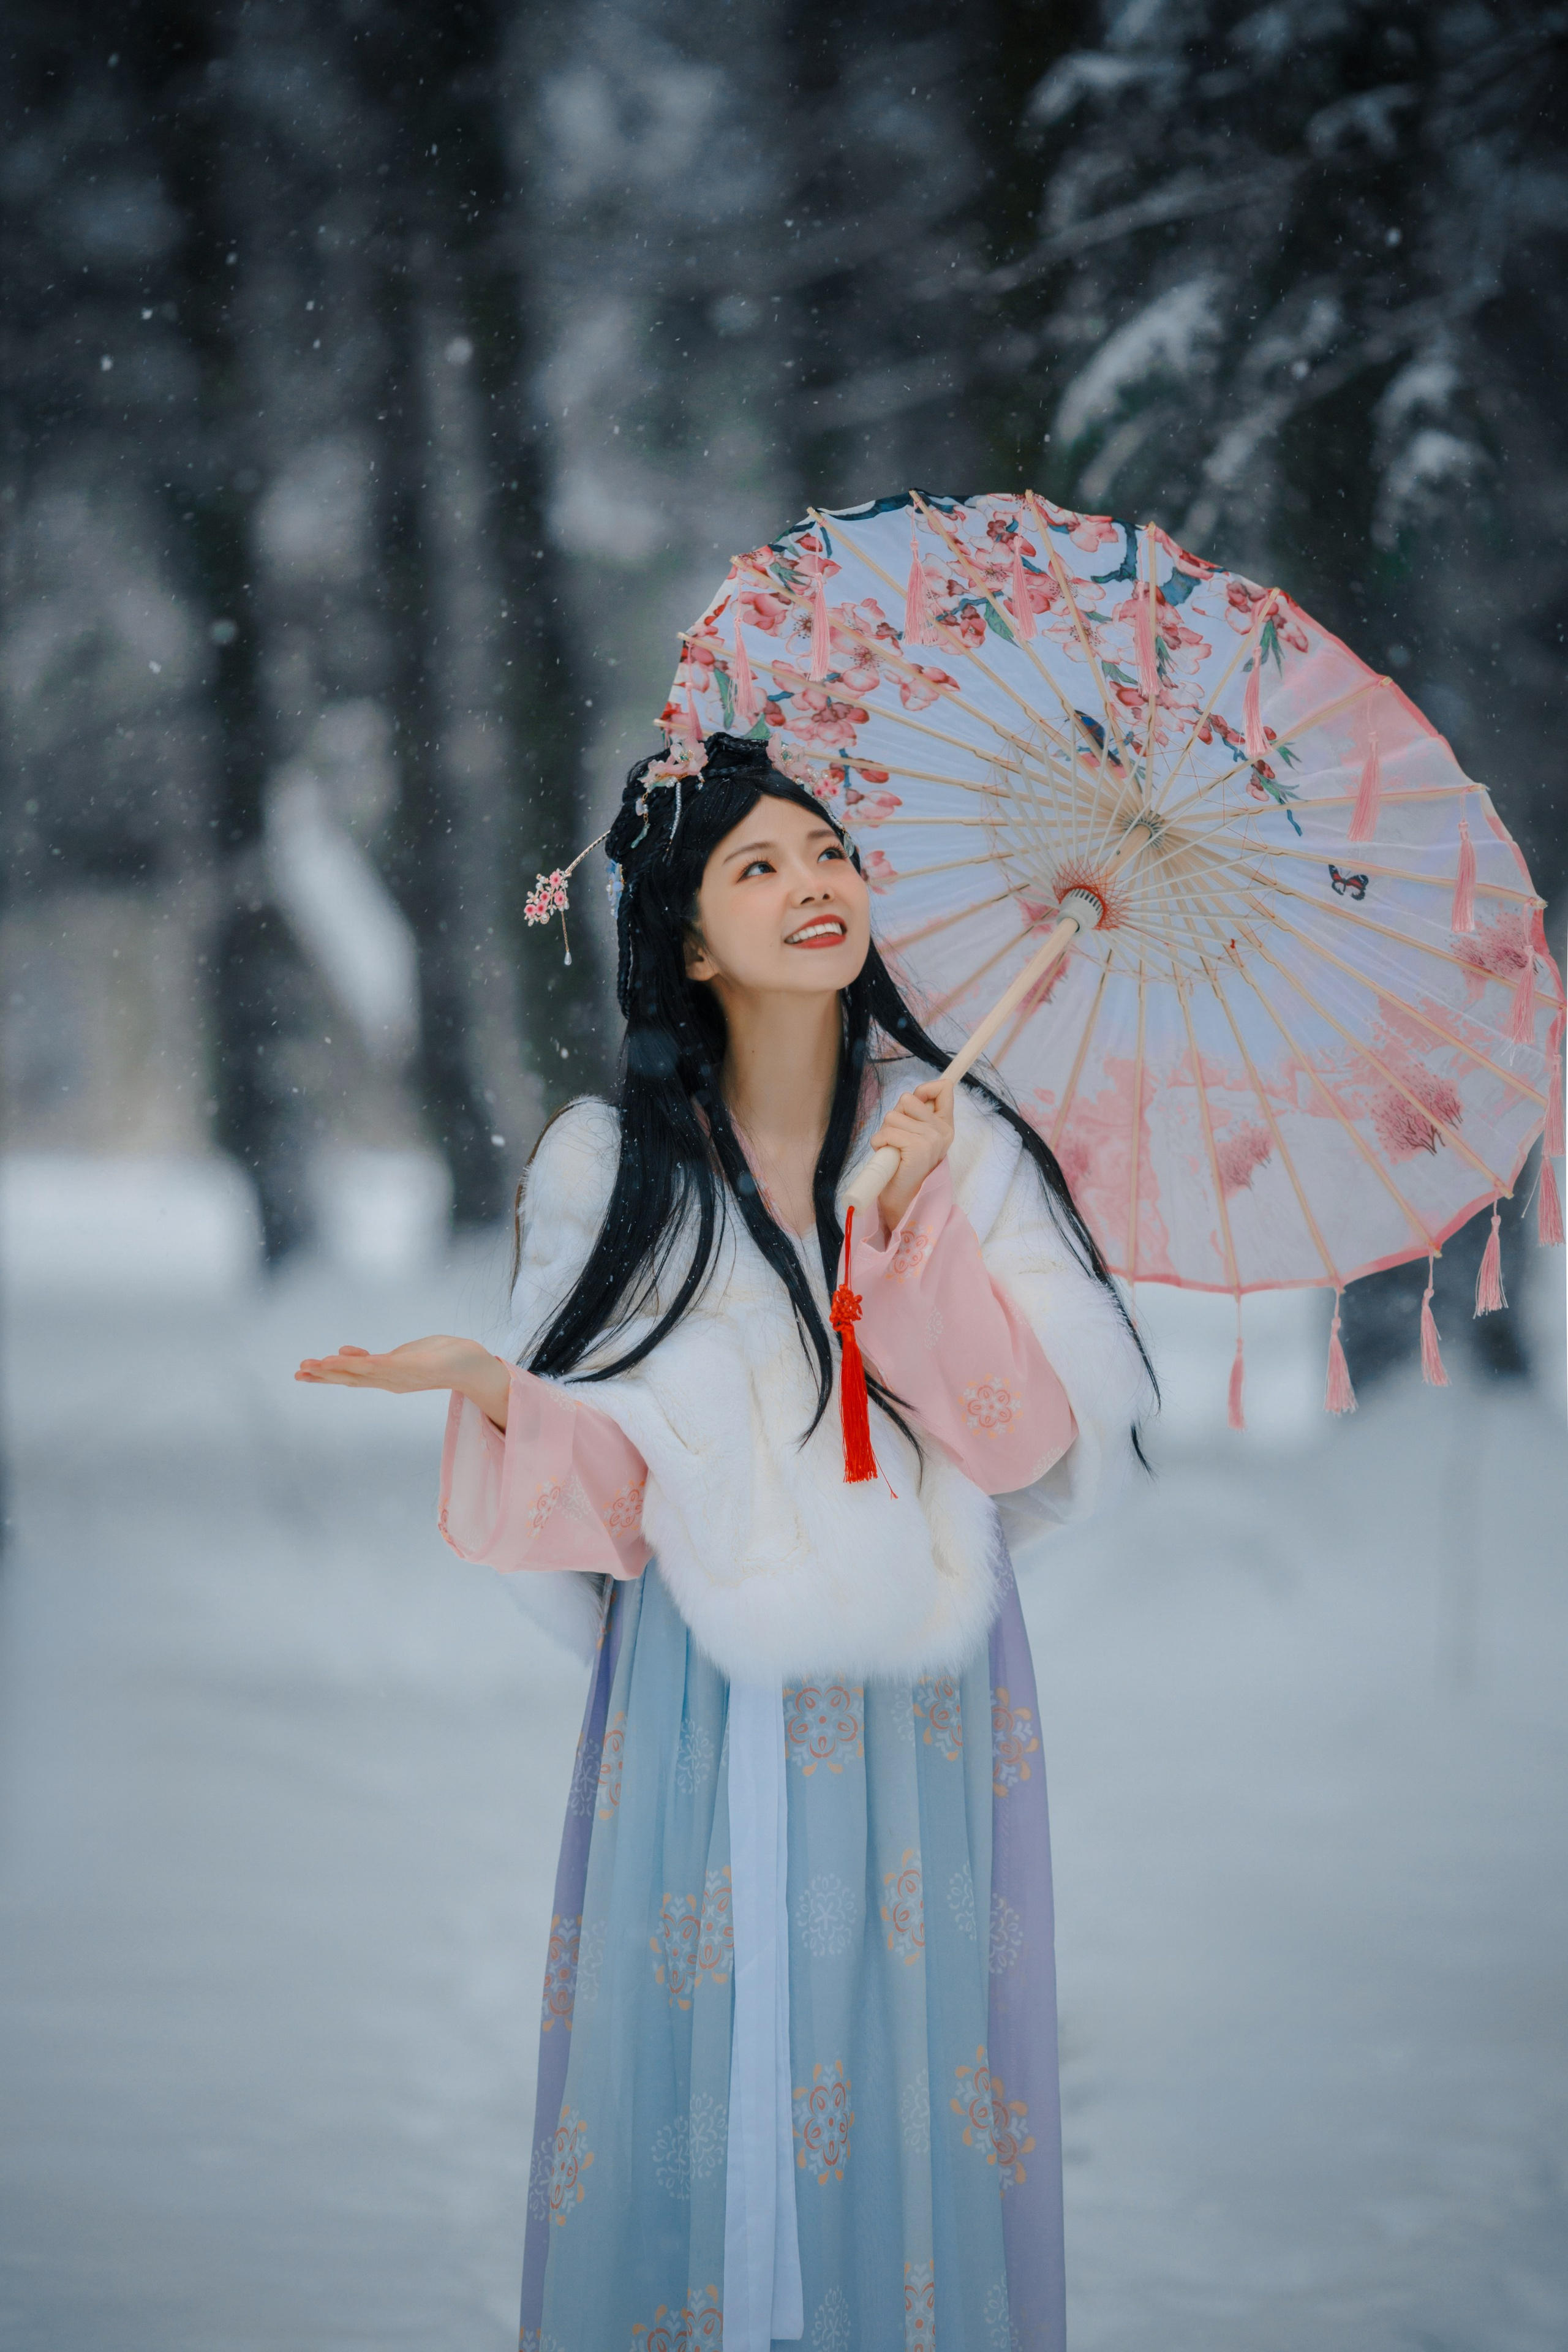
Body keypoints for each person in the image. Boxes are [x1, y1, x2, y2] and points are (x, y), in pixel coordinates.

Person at [297, 731, 1153, 2352]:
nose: (814, 884)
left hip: (914, 1682)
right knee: (703, 2067)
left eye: (829, 850)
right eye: (759, 867)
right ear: (690, 938)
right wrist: (494, 1389)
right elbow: (614, 1517)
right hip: (694, 1689)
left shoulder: (959, 1141)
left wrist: (906, 1231)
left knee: (896, 2066)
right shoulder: (608, 1166)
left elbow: (1031, 1448)